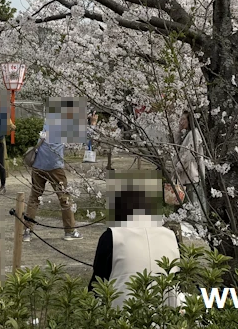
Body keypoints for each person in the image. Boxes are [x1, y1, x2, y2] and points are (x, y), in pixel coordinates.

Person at [88, 184, 180, 308]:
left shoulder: (112, 236)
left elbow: (97, 283)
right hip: (167, 313)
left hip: (123, 314)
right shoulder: (170, 236)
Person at [23, 102, 80, 241]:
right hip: (54, 166)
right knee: (64, 198)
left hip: (38, 164)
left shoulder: (47, 122)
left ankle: (27, 232)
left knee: (34, 198)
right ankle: (69, 231)